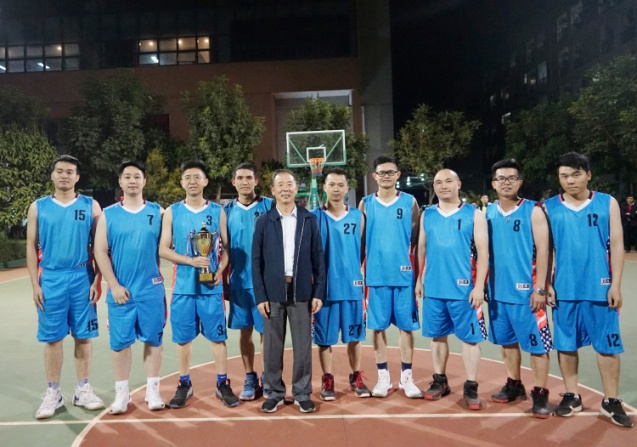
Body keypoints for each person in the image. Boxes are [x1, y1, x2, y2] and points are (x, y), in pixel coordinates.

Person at [544, 152, 633, 427]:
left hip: (600, 288)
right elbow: (545, 250)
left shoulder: (607, 203)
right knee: (566, 345)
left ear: (588, 174)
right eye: (564, 176)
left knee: (607, 346)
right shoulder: (548, 207)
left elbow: (617, 244)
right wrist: (546, 283)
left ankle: (611, 400)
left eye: (576, 174)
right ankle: (572, 395)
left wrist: (615, 285)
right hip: (564, 289)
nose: (570, 180)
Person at [26, 155, 105, 419]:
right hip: (51, 278)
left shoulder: (91, 206)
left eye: (70, 172)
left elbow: (101, 246)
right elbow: (30, 247)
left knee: (83, 336)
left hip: (82, 276)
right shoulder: (38, 207)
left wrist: (97, 279)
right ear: (52, 175)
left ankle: (83, 389)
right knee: (52, 338)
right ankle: (53, 393)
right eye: (59, 171)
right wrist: (35, 284)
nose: (64, 175)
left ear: (77, 177)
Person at [159, 160, 240, 409]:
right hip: (183, 287)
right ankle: (184, 383)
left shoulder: (218, 211)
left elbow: (227, 248)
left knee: (218, 338)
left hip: (211, 288)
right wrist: (190, 261)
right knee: (183, 340)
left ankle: (222, 383)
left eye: (197, 177)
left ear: (205, 181)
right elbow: (163, 249)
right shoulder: (172, 211)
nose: (192, 181)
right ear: (181, 182)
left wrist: (220, 270)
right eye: (187, 177)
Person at [93, 161, 166, 414]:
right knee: (120, 343)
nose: (132, 180)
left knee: (153, 341)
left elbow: (170, 245)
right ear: (120, 182)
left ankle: (153, 390)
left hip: (151, 290)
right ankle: (122, 395)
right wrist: (113, 285)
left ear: (145, 181)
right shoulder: (108, 214)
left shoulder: (159, 212)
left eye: (137, 176)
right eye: (127, 177)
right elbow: (100, 251)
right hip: (121, 291)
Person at [252, 169, 326, 413]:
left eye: (289, 184)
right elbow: (256, 262)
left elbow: (318, 259)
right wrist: (260, 296)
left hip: (302, 291)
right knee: (272, 347)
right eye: (280, 185)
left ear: (296, 188)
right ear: (272, 190)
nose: (285, 188)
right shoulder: (263, 221)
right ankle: (274, 392)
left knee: (303, 347)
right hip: (272, 293)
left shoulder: (309, 220)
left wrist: (318, 292)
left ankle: (302, 393)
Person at [415, 168, 488, 410]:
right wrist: (419, 279)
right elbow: (421, 248)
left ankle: (471, 385)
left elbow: (484, 252)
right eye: (438, 182)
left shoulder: (474, 214)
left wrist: (479, 286)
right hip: (434, 288)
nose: (443, 185)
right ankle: (440, 380)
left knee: (470, 339)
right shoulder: (428, 215)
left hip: (464, 290)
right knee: (437, 337)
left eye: (448, 181)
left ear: (458, 184)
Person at [485, 159, 552, 418]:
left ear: (520, 182)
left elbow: (544, 251)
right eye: (501, 178)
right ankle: (514, 384)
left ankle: (540, 393)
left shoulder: (533, 211)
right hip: (498, 293)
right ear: (493, 184)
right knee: (507, 343)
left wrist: (540, 288)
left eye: (511, 178)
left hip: (527, 294)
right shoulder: (487, 213)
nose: (506, 182)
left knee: (538, 347)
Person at [358, 155, 422, 399]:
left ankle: (407, 377)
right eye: (381, 172)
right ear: (374, 176)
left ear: (398, 175)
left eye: (390, 172)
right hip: (376, 276)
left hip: (404, 276)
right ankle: (383, 377)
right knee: (378, 328)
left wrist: (418, 276)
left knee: (407, 328)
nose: (386, 176)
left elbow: (415, 238)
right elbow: (361, 241)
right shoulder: (366, 204)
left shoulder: (410, 202)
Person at [312, 168, 371, 400]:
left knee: (354, 337)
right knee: (324, 340)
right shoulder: (314, 217)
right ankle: (327, 378)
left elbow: (363, 250)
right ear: (324, 187)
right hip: (324, 290)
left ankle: (356, 376)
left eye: (340, 185)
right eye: (332, 185)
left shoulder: (358, 216)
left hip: (352, 287)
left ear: (347, 188)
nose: (336, 189)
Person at [223, 162, 273, 400]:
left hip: (265, 283)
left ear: (256, 181)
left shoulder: (269, 206)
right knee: (245, 333)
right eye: (240, 178)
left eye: (249, 178)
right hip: (239, 283)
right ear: (233, 182)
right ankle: (250, 376)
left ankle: (268, 376)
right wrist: (222, 278)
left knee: (267, 334)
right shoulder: (225, 211)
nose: (245, 182)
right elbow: (221, 248)